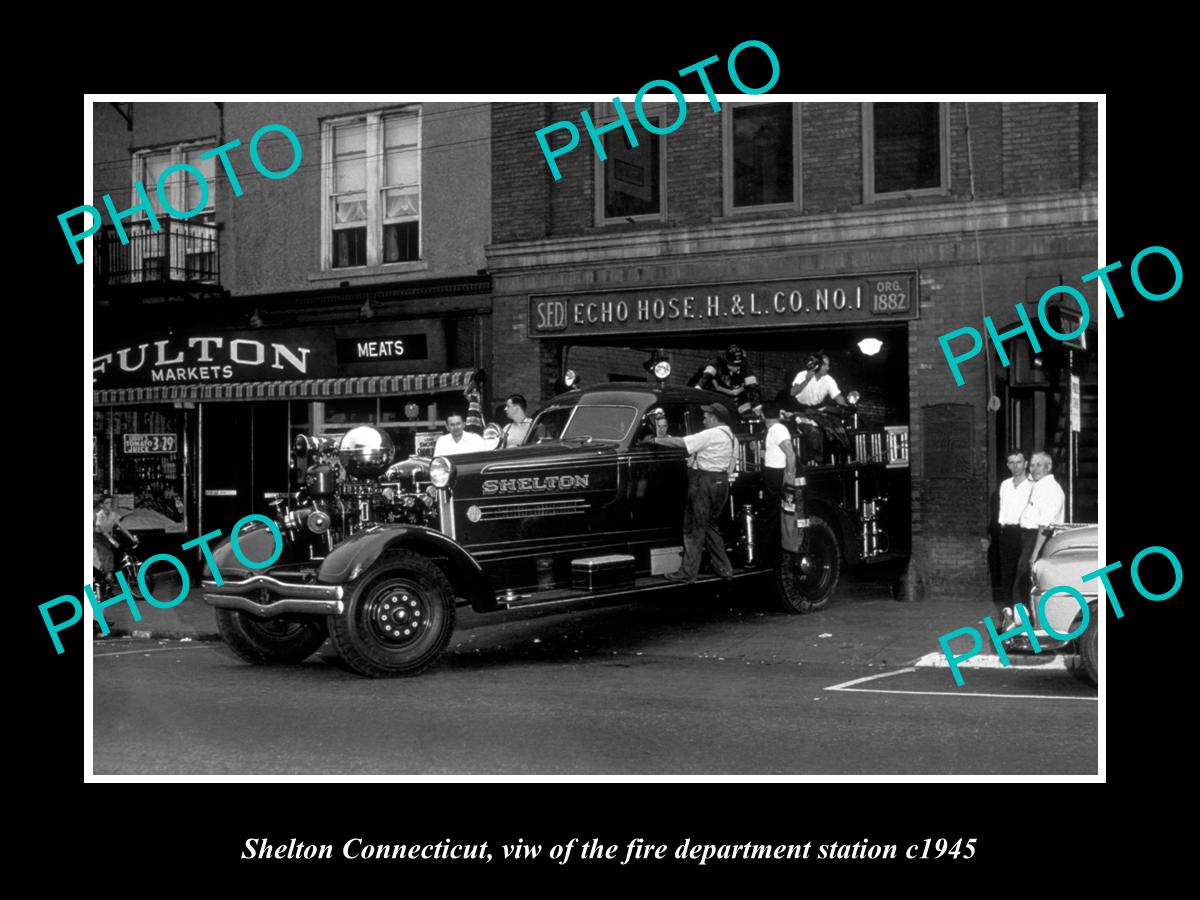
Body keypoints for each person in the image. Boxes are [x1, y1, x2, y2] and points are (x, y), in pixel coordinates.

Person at [646, 402, 736, 583]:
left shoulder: (711, 434)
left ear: (713, 418)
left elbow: (682, 443)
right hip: (720, 483)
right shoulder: (730, 435)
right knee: (710, 527)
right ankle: (725, 568)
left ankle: (688, 572)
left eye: (706, 417)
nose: (703, 419)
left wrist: (655, 440)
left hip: (704, 483)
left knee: (693, 528)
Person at [1010, 450, 1066, 625]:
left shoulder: (1050, 489)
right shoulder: (1040, 486)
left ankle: (1024, 624)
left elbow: (1045, 525)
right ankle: (1024, 621)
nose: (1034, 469)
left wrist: (1034, 552)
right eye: (1032, 465)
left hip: (1039, 538)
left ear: (1049, 467)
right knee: (1024, 581)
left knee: (1024, 582)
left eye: (1039, 465)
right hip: (1029, 537)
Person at [993, 449, 1033, 628]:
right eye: (1011, 462)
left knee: (1023, 574)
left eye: (1019, 462)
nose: (1015, 466)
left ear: (1025, 463)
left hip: (1025, 533)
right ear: (1007, 465)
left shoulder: (1033, 485)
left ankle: (1024, 615)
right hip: (1007, 533)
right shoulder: (1005, 485)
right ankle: (1008, 614)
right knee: (1007, 574)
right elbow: (1002, 510)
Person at [788, 352, 850, 461]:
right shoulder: (802, 375)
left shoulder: (829, 380)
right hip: (799, 410)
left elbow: (838, 397)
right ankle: (815, 458)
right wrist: (807, 380)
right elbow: (792, 392)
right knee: (811, 431)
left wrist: (847, 406)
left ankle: (840, 455)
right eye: (825, 365)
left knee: (836, 428)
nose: (828, 368)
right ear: (817, 365)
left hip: (816, 411)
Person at [760, 402, 796, 558]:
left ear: (763, 415)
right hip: (773, 474)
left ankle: (772, 554)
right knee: (772, 514)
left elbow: (790, 454)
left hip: (778, 476)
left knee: (774, 515)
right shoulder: (773, 430)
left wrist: (789, 477)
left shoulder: (778, 429)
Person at [689, 344, 763, 419]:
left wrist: (757, 407)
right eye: (732, 365)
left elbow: (753, 388)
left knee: (747, 415)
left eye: (738, 365)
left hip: (738, 400)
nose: (736, 368)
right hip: (718, 398)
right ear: (726, 361)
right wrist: (698, 389)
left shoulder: (745, 367)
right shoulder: (716, 363)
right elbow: (706, 377)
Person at [93, 493, 138, 581]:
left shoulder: (112, 514)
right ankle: (108, 575)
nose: (110, 505)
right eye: (107, 503)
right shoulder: (99, 516)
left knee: (122, 548)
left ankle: (115, 572)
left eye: (111, 503)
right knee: (108, 553)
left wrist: (132, 538)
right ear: (101, 505)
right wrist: (113, 541)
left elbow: (122, 527)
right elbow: (103, 531)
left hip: (109, 535)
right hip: (99, 537)